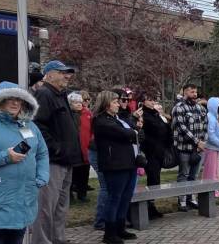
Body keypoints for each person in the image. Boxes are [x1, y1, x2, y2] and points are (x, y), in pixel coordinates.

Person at [0, 81, 49, 244]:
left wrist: (42, 176)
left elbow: (42, 153)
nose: (15, 102)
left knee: (16, 237)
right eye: (9, 98)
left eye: (18, 99)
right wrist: (5, 156)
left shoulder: (30, 126)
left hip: (23, 197)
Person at [31, 60, 81, 244]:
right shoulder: (44, 94)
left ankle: (58, 239)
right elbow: (37, 125)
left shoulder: (60, 95)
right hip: (52, 161)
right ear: (49, 74)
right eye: (62, 72)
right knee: (46, 208)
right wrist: (55, 148)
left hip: (66, 161)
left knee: (61, 207)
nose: (67, 76)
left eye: (68, 72)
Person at [92, 90, 143, 243]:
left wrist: (134, 131)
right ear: (107, 104)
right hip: (114, 164)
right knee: (114, 197)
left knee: (125, 197)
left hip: (128, 162)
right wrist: (133, 131)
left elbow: (136, 134)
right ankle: (109, 232)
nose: (118, 104)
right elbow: (125, 134)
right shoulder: (101, 120)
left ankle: (120, 228)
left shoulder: (118, 118)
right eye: (115, 102)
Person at [171, 83, 208, 211]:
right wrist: (197, 142)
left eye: (196, 92)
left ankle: (191, 198)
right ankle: (181, 201)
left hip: (198, 149)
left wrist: (202, 142)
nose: (195, 95)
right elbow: (182, 128)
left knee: (194, 175)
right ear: (185, 92)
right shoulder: (179, 108)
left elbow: (205, 126)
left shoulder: (200, 108)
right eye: (192, 92)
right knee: (184, 175)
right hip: (184, 148)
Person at [139, 93, 171, 220]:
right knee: (152, 179)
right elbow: (157, 129)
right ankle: (148, 207)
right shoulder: (144, 115)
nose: (153, 102)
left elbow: (166, 128)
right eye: (150, 100)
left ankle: (151, 205)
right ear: (143, 101)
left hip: (159, 150)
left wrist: (163, 119)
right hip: (150, 151)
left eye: (154, 100)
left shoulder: (155, 114)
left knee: (155, 180)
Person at [69, 92, 91, 203]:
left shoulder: (87, 114)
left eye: (79, 102)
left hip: (85, 147)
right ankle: (70, 195)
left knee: (84, 172)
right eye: (75, 102)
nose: (79, 104)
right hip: (73, 148)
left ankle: (82, 194)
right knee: (72, 173)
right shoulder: (68, 115)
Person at [203, 97, 219, 197]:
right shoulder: (210, 117)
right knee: (210, 170)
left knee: (215, 170)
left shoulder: (216, 116)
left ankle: (215, 189)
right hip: (211, 148)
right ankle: (210, 190)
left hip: (216, 148)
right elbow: (210, 134)